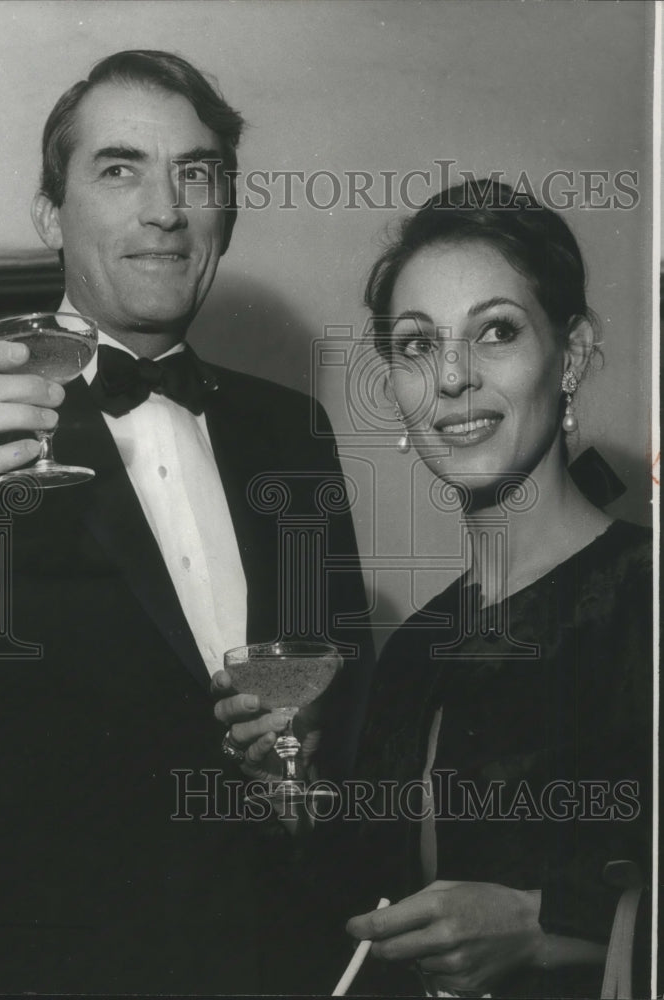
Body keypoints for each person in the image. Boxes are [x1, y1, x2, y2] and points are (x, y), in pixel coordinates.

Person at [0, 50, 373, 995]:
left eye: (194, 172)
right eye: (119, 169)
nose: (166, 207)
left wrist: (316, 745)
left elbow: (343, 689)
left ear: (224, 212)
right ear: (50, 215)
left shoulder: (291, 429)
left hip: (280, 961)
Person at [216, 180, 653, 997]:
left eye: (495, 331)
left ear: (575, 351)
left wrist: (549, 925)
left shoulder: (647, 600)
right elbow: (369, 909)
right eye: (416, 345)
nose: (451, 378)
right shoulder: (416, 645)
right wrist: (298, 783)